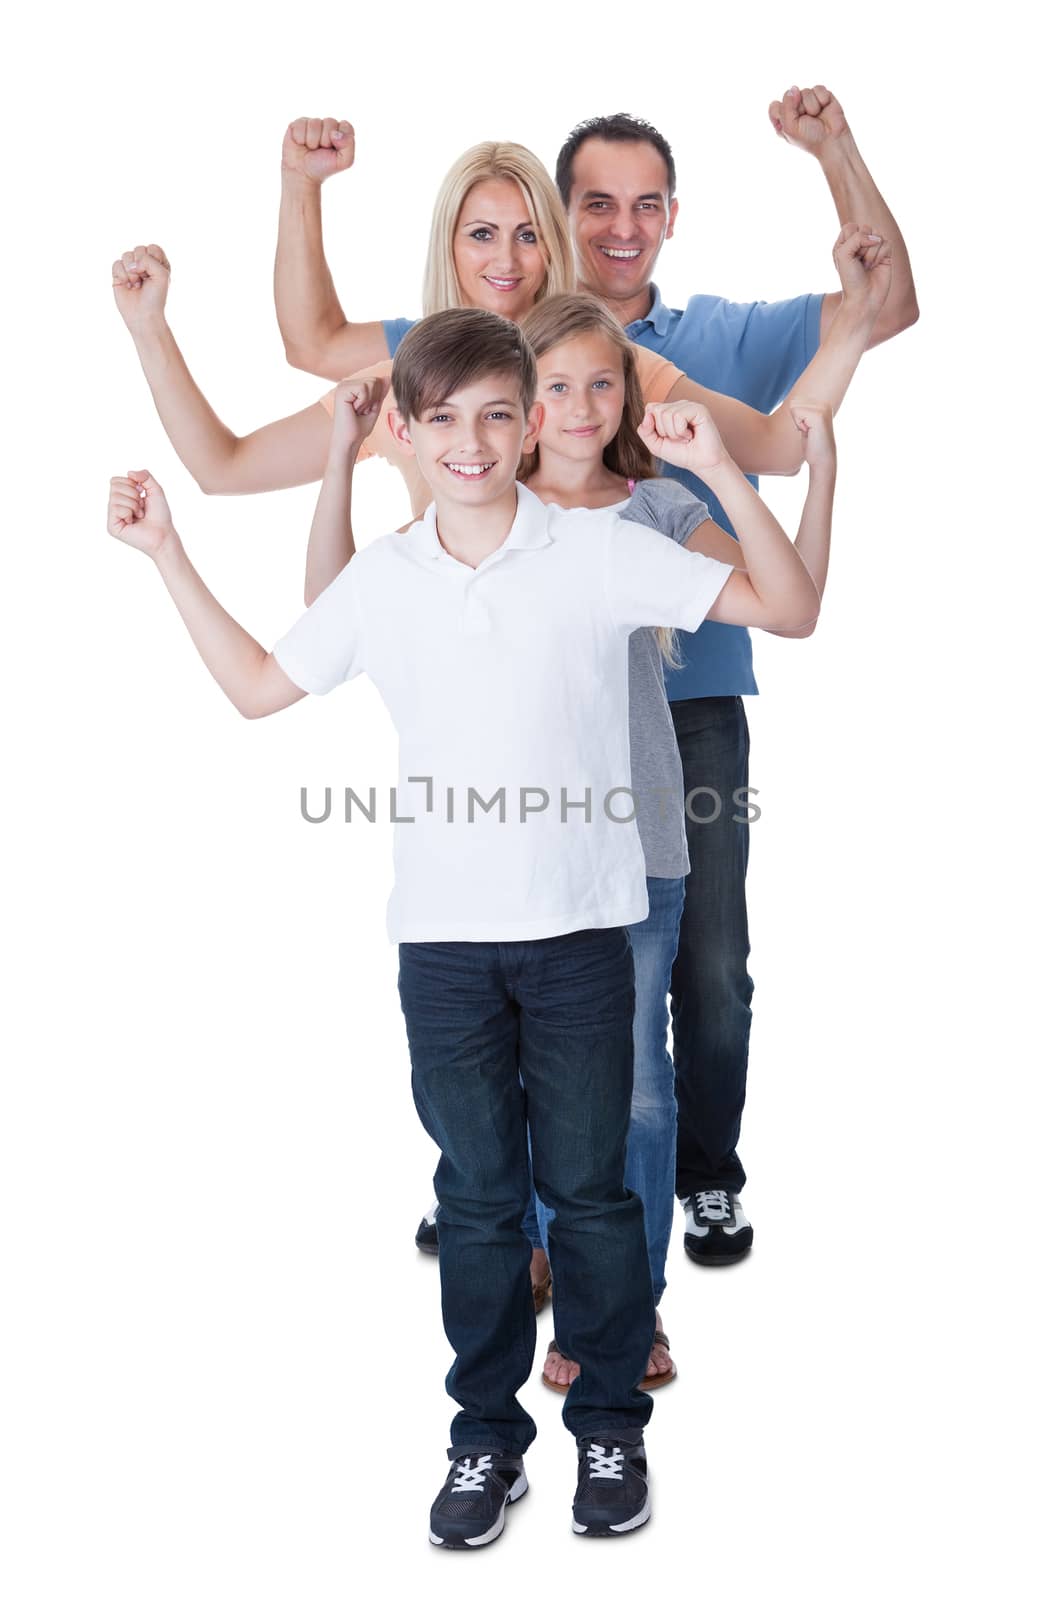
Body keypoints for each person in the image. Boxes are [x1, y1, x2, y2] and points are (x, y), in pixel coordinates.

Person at [106, 308, 819, 1545]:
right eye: (442, 419)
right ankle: (485, 1439)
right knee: (481, 1202)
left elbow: (791, 607)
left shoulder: (598, 550)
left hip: (586, 932)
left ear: (536, 420)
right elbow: (259, 689)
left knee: (592, 1200)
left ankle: (608, 1425)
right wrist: (170, 551)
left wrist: (716, 468)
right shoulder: (384, 579)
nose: (474, 441)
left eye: (500, 413)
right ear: (405, 431)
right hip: (442, 950)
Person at [507, 289, 846, 1395]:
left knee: (640, 1090)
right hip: (520, 851)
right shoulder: (482, 510)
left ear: (628, 401)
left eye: (602, 383)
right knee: (551, 1082)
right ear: (520, 397)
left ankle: (626, 1312)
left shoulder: (654, 513)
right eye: (553, 383)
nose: (577, 403)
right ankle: (566, 1268)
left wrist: (732, 469)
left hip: (645, 847)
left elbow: (791, 607)